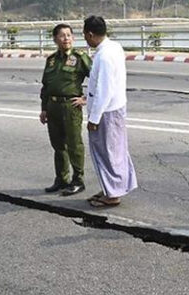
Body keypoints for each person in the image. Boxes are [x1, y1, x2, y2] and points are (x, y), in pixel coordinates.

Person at [83, 16, 137, 207]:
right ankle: (111, 188)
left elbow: (104, 90)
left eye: (85, 35)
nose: (85, 39)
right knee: (117, 151)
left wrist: (94, 118)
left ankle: (112, 195)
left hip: (106, 112)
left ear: (90, 34)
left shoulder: (104, 56)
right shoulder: (114, 47)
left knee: (106, 154)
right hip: (116, 108)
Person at [39, 23, 92, 196]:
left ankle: (78, 180)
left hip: (70, 106)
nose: (66, 38)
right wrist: (44, 108)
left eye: (69, 35)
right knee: (58, 145)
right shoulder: (52, 60)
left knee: (74, 144)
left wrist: (86, 99)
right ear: (55, 39)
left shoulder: (80, 57)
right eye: (62, 35)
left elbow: (97, 77)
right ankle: (61, 179)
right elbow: (46, 86)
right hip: (53, 106)